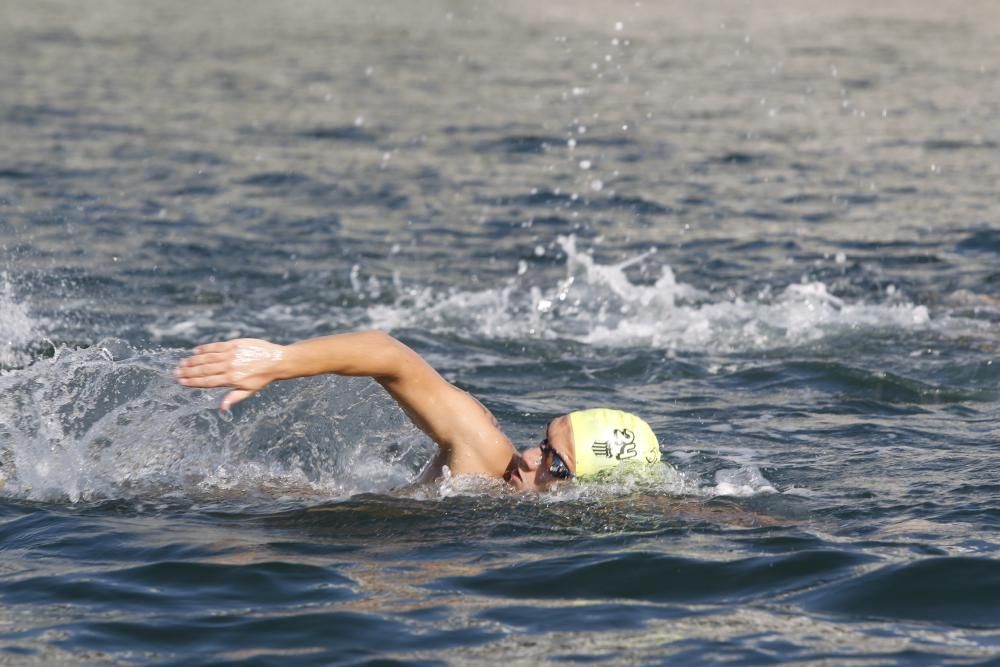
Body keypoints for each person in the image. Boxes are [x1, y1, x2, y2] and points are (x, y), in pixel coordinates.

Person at [174, 330, 662, 492]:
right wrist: (278, 362)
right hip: (256, 509)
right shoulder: (486, 456)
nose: (530, 461)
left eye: (555, 465)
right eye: (542, 443)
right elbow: (388, 356)